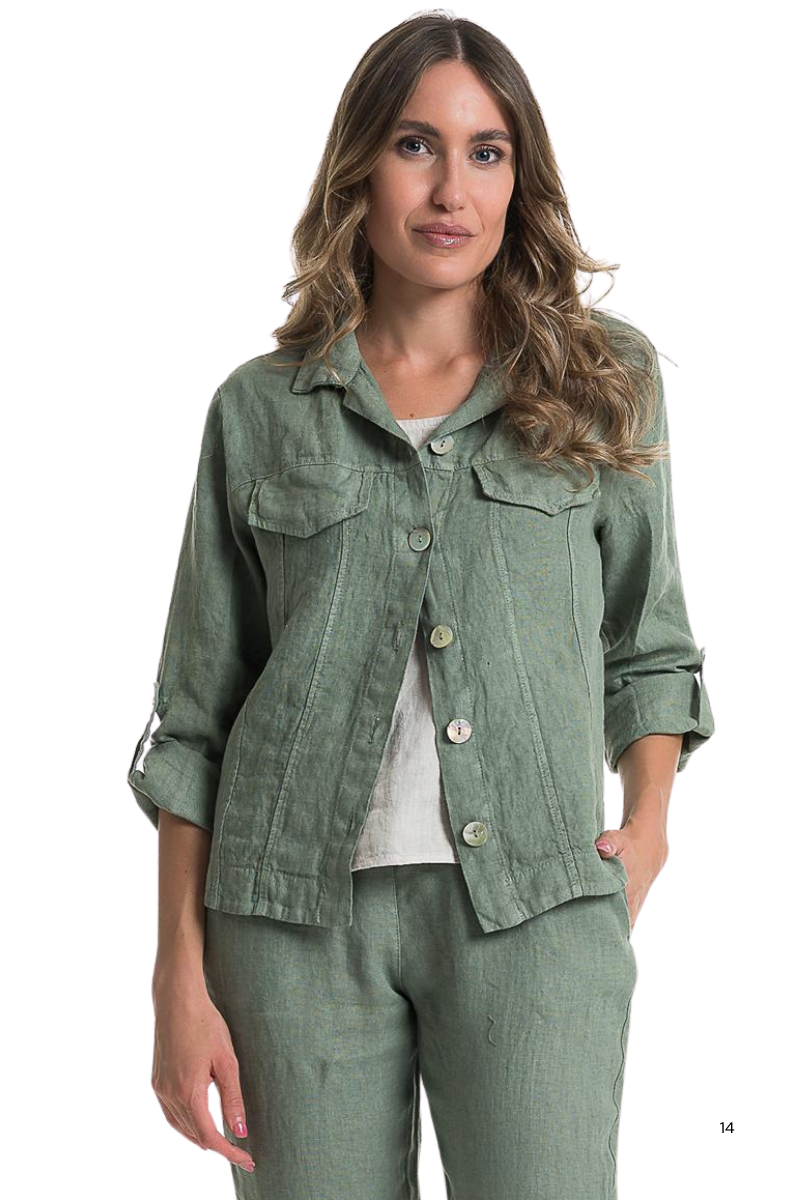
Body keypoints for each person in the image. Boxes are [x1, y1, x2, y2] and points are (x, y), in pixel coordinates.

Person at [128, 13, 715, 1199]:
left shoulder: (599, 381)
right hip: (285, 930)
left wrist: (645, 827)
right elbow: (195, 718)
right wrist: (175, 980)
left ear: (517, 177)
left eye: (485, 152)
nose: (451, 190)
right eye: (414, 145)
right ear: (359, 166)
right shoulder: (259, 410)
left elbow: (648, 645)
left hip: (535, 910)